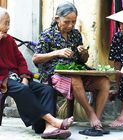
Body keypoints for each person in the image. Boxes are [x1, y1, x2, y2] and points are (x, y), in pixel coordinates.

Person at [32, 2, 110, 135]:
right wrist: (57, 52)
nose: (70, 25)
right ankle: (90, 115)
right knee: (75, 78)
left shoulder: (75, 34)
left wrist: (83, 53)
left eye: (73, 22)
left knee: (104, 81)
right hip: (54, 75)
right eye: (67, 21)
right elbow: (36, 58)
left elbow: (82, 60)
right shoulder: (47, 34)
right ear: (57, 18)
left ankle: (96, 124)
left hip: (75, 73)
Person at [0, 7, 74, 139]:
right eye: (6, 23)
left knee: (47, 90)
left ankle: (46, 127)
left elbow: (21, 61)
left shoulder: (9, 39)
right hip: (2, 79)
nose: (9, 26)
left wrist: (24, 77)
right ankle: (52, 122)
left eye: (9, 22)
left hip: (16, 77)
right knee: (23, 90)